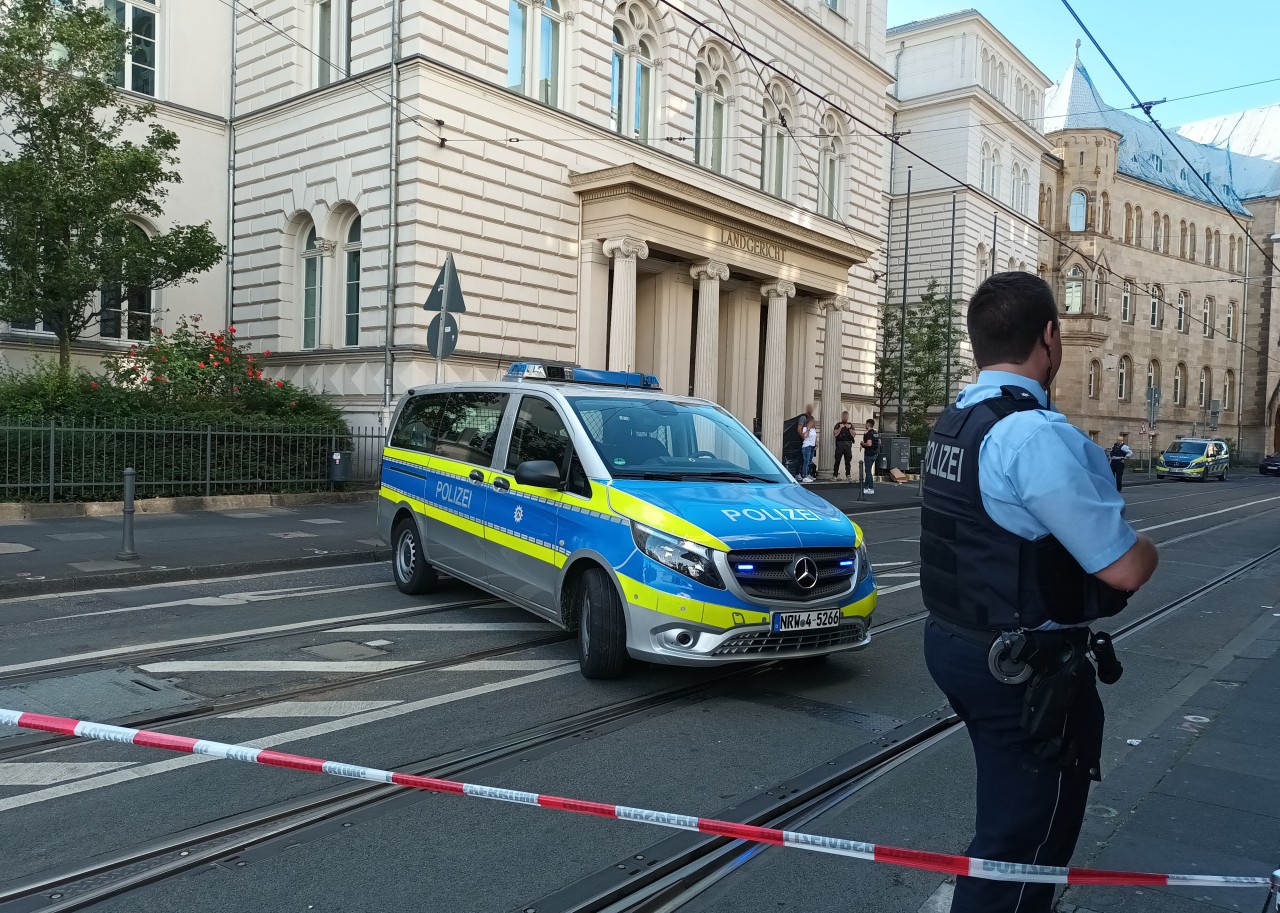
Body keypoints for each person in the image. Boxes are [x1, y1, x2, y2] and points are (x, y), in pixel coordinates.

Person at [919, 273, 1158, 913]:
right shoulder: (1033, 435)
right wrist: (1147, 547)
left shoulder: (957, 419)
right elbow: (1124, 570)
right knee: (1026, 843)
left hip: (956, 640)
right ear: (1050, 338)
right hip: (1022, 669)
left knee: (1005, 814)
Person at [833, 411, 856, 480]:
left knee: (848, 461)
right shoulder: (838, 424)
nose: (845, 418)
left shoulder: (850, 425)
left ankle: (848, 475)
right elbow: (835, 434)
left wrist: (849, 428)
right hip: (840, 444)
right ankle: (835, 475)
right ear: (842, 417)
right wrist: (840, 428)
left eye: (846, 416)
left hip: (848, 444)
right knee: (837, 460)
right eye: (844, 416)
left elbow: (854, 434)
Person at [860, 419, 880, 494]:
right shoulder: (876, 433)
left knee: (868, 472)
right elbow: (879, 442)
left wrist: (862, 443)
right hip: (875, 454)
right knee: (868, 471)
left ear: (868, 424)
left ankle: (871, 488)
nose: (865, 425)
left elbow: (869, 444)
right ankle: (866, 487)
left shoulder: (868, 434)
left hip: (869, 454)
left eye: (866, 424)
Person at [800, 417, 818, 482]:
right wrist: (808, 429)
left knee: (810, 462)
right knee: (806, 462)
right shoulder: (805, 428)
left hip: (812, 447)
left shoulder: (813, 429)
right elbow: (805, 436)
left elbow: (815, 437)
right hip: (807, 446)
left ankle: (808, 474)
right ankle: (804, 476)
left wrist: (816, 444)